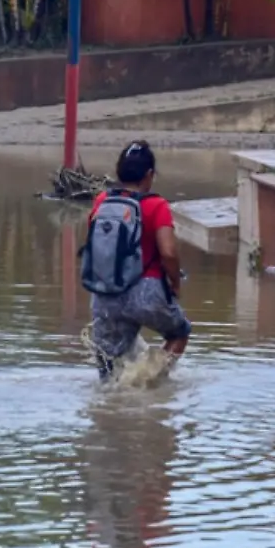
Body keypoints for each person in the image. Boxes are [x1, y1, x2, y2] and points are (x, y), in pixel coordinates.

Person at [87, 141, 190, 380]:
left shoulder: (102, 201)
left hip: (105, 294)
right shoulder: (156, 205)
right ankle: (149, 382)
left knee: (108, 366)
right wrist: (175, 282)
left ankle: (113, 405)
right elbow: (168, 253)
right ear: (149, 174)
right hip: (148, 292)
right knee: (179, 333)